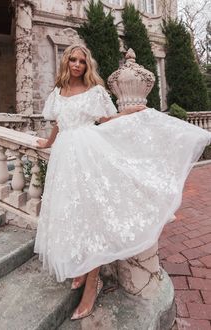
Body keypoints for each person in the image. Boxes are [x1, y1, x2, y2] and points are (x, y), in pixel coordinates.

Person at [34, 44, 211, 320]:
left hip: (87, 154)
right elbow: (58, 122)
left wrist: (130, 114)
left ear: (86, 65)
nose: (77, 65)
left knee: (92, 216)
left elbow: (106, 120)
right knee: (71, 214)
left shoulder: (94, 91)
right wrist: (48, 142)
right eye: (73, 60)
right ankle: (81, 269)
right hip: (63, 159)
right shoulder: (57, 93)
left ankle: (93, 284)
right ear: (66, 62)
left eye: (82, 61)